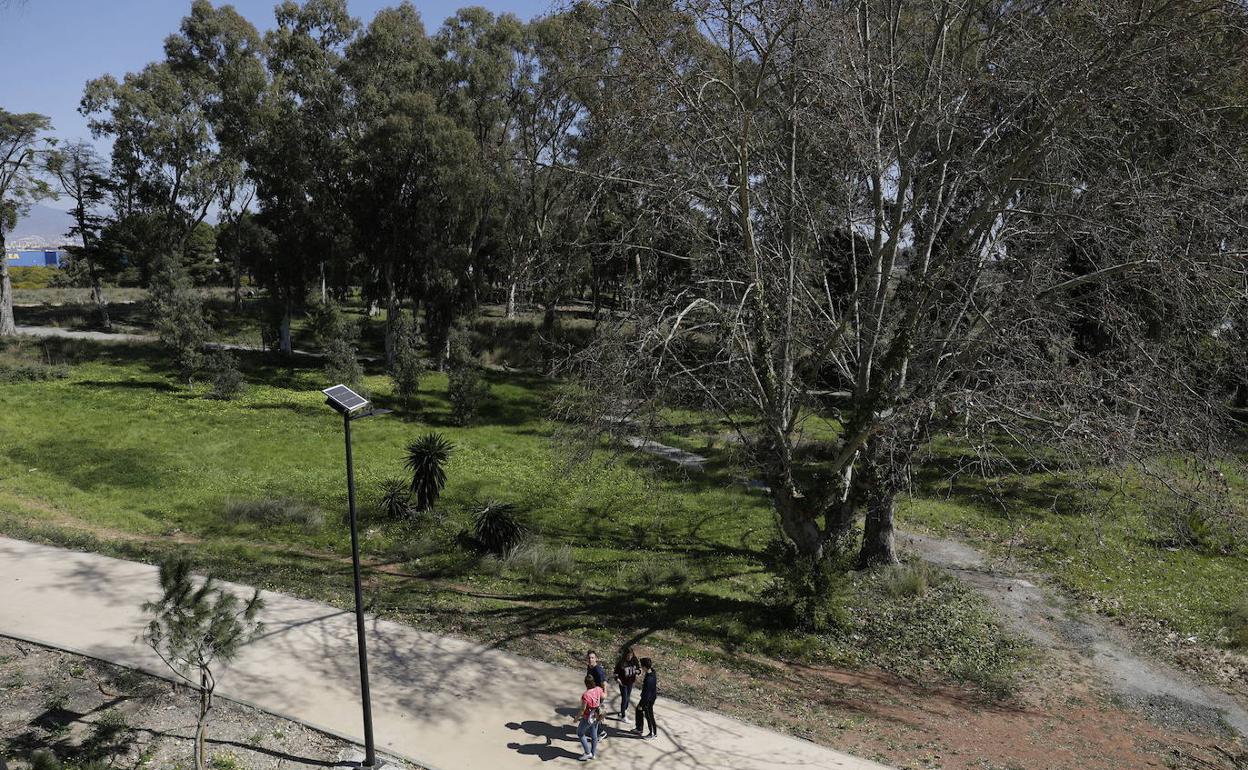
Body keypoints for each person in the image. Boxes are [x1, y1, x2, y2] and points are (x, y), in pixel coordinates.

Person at [576, 673, 605, 761]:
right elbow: (603, 697)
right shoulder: (598, 689)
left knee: (580, 733)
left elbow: (582, 709)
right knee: (594, 735)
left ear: (586, 684)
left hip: (587, 717)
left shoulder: (586, 695)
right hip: (597, 715)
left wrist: (576, 718)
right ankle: (593, 753)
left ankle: (587, 753)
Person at [586, 650, 610, 740]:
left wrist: (604, 694)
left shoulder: (597, 670)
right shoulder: (589, 667)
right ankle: (595, 730)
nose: (590, 659)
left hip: (598, 695)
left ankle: (601, 732)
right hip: (592, 694)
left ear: (596, 659)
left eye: (592, 658)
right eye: (589, 658)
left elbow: (604, 683)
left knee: (594, 714)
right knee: (594, 713)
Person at [613, 647, 640, 720]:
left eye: (631, 656)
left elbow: (638, 669)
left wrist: (638, 672)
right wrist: (617, 679)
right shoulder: (621, 663)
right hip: (623, 683)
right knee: (624, 698)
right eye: (628, 656)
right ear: (625, 655)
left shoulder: (634, 660)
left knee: (627, 698)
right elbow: (615, 673)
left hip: (630, 682)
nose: (629, 657)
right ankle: (623, 716)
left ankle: (623, 711)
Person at [633, 657, 658, 739]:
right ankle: (639, 728)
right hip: (647, 697)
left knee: (649, 716)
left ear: (644, 667)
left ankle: (653, 733)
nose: (641, 667)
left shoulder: (649, 679)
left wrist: (642, 704)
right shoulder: (652, 672)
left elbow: (646, 695)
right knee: (638, 710)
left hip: (648, 700)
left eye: (641, 665)